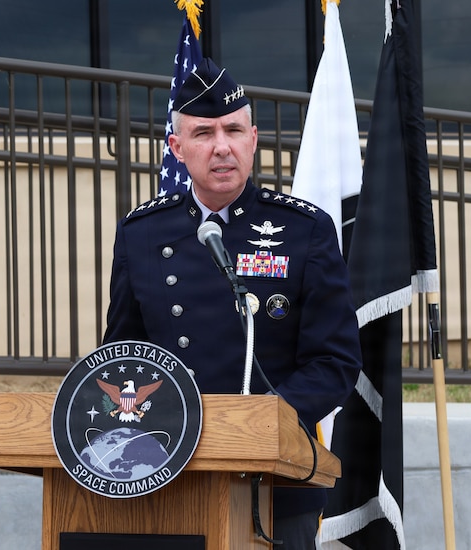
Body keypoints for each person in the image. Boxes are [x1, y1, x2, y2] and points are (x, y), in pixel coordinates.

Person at [103, 58, 362, 549]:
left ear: (254, 139)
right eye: (203, 133)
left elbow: (335, 361)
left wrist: (258, 423)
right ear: (177, 148)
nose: (221, 146)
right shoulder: (141, 234)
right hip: (167, 475)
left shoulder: (303, 230)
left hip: (275, 482)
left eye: (233, 130)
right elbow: (121, 358)